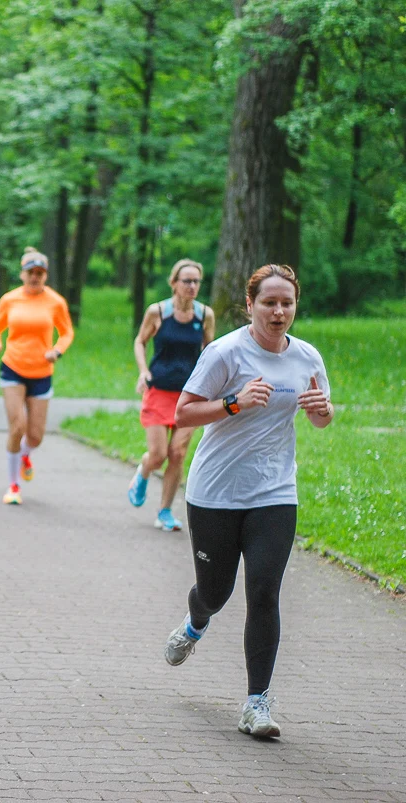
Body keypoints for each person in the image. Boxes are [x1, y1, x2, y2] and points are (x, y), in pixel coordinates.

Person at [163, 264, 332, 739]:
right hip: (216, 492)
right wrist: (233, 402)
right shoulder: (225, 352)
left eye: (287, 303)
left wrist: (323, 411)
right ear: (250, 305)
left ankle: (257, 703)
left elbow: (320, 417)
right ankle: (195, 622)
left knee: (263, 592)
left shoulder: (307, 357)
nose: (278, 312)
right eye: (269, 303)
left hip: (274, 492)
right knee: (215, 593)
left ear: (295, 306)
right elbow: (183, 413)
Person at [128, 259, 216, 530]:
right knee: (158, 455)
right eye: (187, 281)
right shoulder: (158, 312)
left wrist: (212, 384)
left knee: (177, 453)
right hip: (159, 391)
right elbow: (140, 341)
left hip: (189, 396)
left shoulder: (205, 315)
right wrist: (143, 371)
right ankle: (144, 471)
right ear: (174, 283)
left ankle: (164, 512)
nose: (192, 286)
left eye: (196, 281)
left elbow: (210, 352)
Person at [0, 247, 74, 505]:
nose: (35, 277)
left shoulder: (55, 302)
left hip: (42, 371)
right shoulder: (10, 299)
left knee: (35, 436)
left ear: (45, 275)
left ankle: (25, 454)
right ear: (22, 274)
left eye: (40, 273)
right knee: (17, 427)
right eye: (30, 272)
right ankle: (14, 485)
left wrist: (57, 351)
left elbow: (67, 332)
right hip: (13, 367)